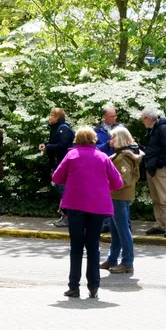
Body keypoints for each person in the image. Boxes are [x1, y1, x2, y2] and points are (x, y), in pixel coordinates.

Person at [52, 127, 123, 299]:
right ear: (93, 140)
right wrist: (104, 188)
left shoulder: (71, 156)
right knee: (93, 247)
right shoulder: (103, 157)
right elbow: (118, 182)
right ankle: (94, 286)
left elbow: (56, 177)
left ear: (77, 139)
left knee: (76, 247)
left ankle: (74, 286)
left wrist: (70, 181)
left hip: (75, 205)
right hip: (97, 206)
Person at [101, 127, 141, 274]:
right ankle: (112, 259)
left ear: (119, 139)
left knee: (122, 229)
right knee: (115, 229)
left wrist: (106, 187)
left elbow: (123, 180)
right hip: (118, 195)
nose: (110, 141)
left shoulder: (123, 157)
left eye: (112, 138)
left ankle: (127, 262)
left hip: (119, 195)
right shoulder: (123, 154)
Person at [141, 108, 166, 238]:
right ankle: (161, 224)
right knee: (156, 198)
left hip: (158, 167)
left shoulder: (163, 129)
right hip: (152, 167)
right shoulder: (154, 129)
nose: (142, 122)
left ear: (148, 118)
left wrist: (160, 163)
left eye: (143, 119)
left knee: (165, 197)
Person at [40, 108, 75, 227]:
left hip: (63, 164)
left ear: (57, 117)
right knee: (61, 189)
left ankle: (67, 216)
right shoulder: (55, 128)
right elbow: (54, 141)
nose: (50, 118)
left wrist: (48, 147)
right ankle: (65, 215)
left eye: (52, 115)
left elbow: (62, 146)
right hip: (58, 163)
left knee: (63, 190)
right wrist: (45, 144)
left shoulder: (63, 128)